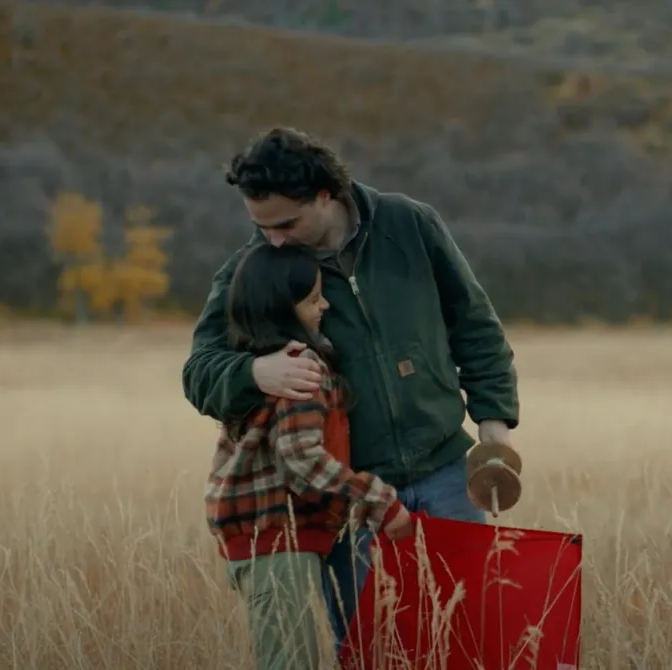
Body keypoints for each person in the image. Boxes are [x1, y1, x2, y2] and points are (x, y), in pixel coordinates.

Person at [182, 127, 521, 653]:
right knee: (376, 650)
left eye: (285, 224)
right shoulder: (256, 270)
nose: (272, 239)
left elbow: (474, 326)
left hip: (449, 469)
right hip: (351, 498)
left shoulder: (409, 224)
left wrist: (494, 429)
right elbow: (199, 370)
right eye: (260, 227)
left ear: (325, 193)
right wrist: (254, 374)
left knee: (472, 640)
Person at [205, 242, 415, 670]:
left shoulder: (266, 362)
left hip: (273, 543)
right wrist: (379, 501)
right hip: (277, 543)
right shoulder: (300, 366)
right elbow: (302, 462)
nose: (324, 305)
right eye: (312, 298)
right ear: (282, 307)